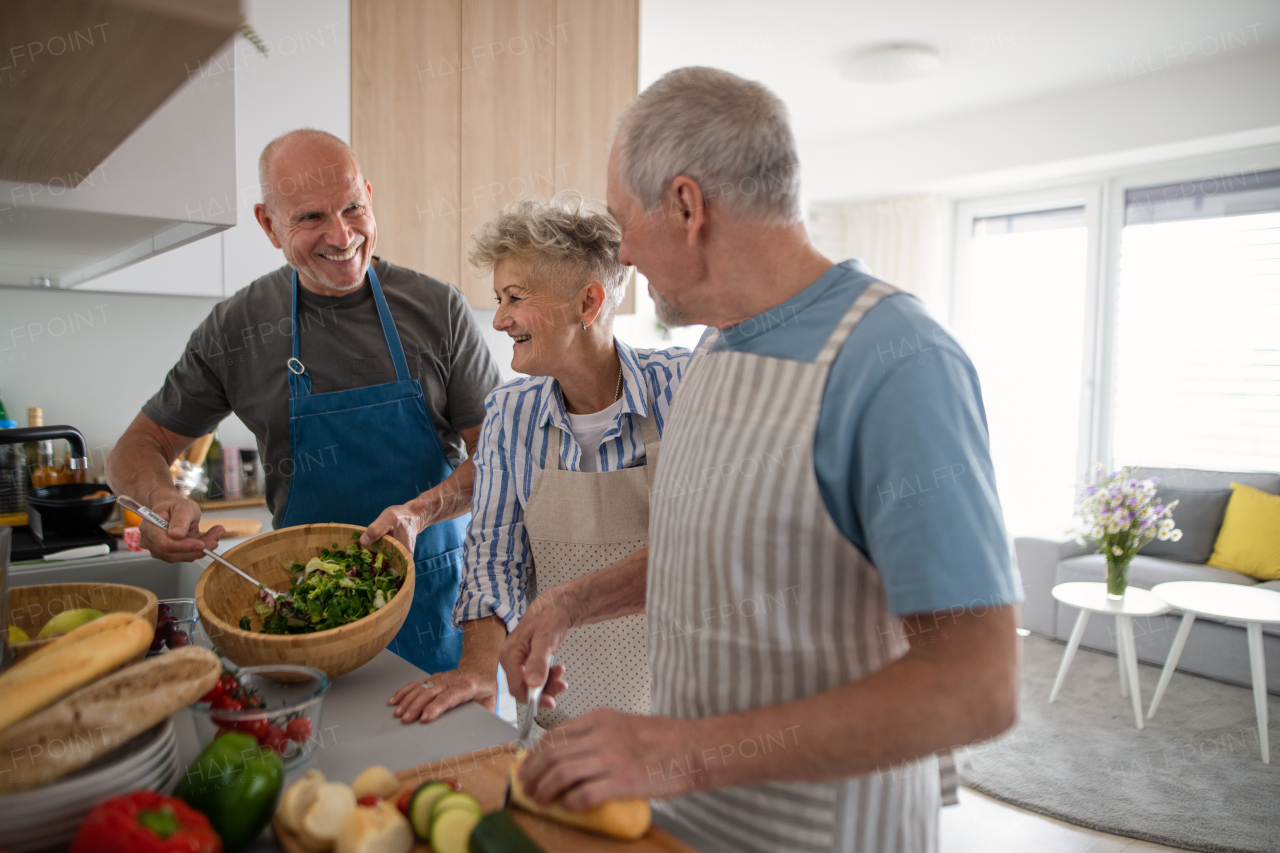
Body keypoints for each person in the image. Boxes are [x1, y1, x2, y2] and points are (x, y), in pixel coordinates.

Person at [503, 68, 1023, 852]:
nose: (622, 252)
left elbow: (976, 686)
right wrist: (572, 602)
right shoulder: (717, 338)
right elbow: (726, 545)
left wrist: (679, 750)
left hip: (823, 832)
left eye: (623, 221)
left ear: (686, 205)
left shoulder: (895, 360)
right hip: (686, 820)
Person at [106, 129, 502, 674]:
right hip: (303, 614)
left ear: (368, 194)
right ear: (269, 224)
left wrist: (419, 512)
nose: (341, 235)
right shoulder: (237, 327)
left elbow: (500, 459)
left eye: (352, 208)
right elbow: (137, 446)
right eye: (310, 218)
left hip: (434, 604)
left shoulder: (439, 309)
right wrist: (158, 501)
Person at [388, 192, 691, 725]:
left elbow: (712, 548)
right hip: (561, 714)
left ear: (587, 303)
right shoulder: (511, 413)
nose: (501, 319)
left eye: (514, 297)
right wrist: (479, 670)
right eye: (499, 299)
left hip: (683, 714)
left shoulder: (683, 386)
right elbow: (494, 561)